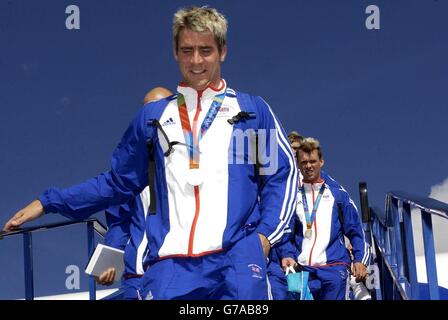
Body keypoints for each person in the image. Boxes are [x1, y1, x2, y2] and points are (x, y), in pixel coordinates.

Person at [3, 6, 297, 300]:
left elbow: (278, 177)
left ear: (222, 51)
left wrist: (263, 239)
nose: (196, 61)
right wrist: (49, 202)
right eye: (187, 50)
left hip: (237, 261)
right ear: (175, 52)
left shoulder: (248, 113)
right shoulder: (153, 118)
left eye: (205, 50)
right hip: (170, 267)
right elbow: (117, 183)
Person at [96, 87, 173, 300]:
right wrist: (109, 259)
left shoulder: (200, 159)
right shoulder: (129, 170)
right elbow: (120, 222)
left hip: (186, 268)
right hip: (139, 274)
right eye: (147, 110)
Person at [278, 137, 369, 300]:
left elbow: (355, 230)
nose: (308, 166)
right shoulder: (292, 197)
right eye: (304, 162)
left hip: (334, 267)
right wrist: (287, 254)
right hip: (303, 269)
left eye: (312, 161)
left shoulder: (337, 194)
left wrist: (359, 259)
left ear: (321, 162)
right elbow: (286, 233)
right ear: (298, 165)